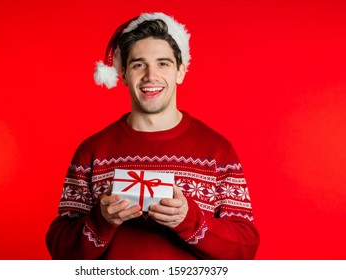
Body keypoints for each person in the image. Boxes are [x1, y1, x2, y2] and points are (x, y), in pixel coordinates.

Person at [46, 12, 260, 259]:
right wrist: (101, 220)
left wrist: (191, 222)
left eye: (163, 63)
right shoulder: (92, 152)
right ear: (124, 74)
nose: (150, 76)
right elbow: (60, 250)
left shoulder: (217, 151)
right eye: (139, 64)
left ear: (180, 71)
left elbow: (246, 248)